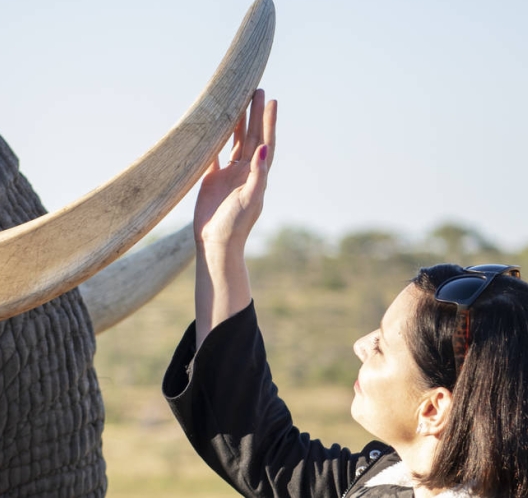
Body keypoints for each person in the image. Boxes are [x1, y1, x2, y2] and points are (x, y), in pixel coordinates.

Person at [162, 90, 528, 497]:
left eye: (382, 347)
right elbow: (264, 455)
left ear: (433, 409)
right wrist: (220, 244)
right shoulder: (390, 479)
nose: (359, 345)